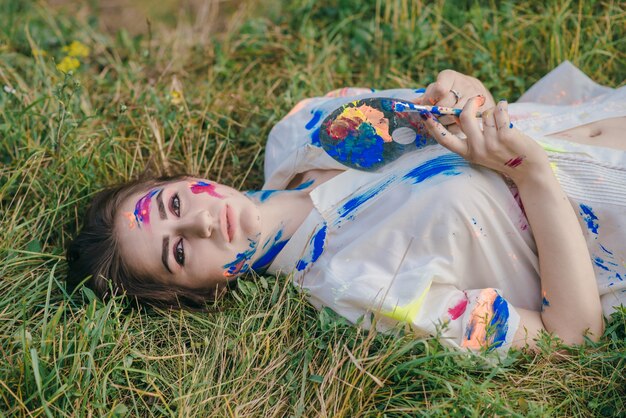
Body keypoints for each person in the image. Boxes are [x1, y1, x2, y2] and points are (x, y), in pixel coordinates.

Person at [67, 62, 626, 355]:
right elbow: (572, 335)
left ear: (187, 179)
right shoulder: (361, 290)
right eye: (179, 250)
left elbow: (456, 105)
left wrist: (462, 92)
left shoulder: (300, 134)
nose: (203, 220)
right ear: (200, 291)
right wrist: (532, 178)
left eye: (172, 203)